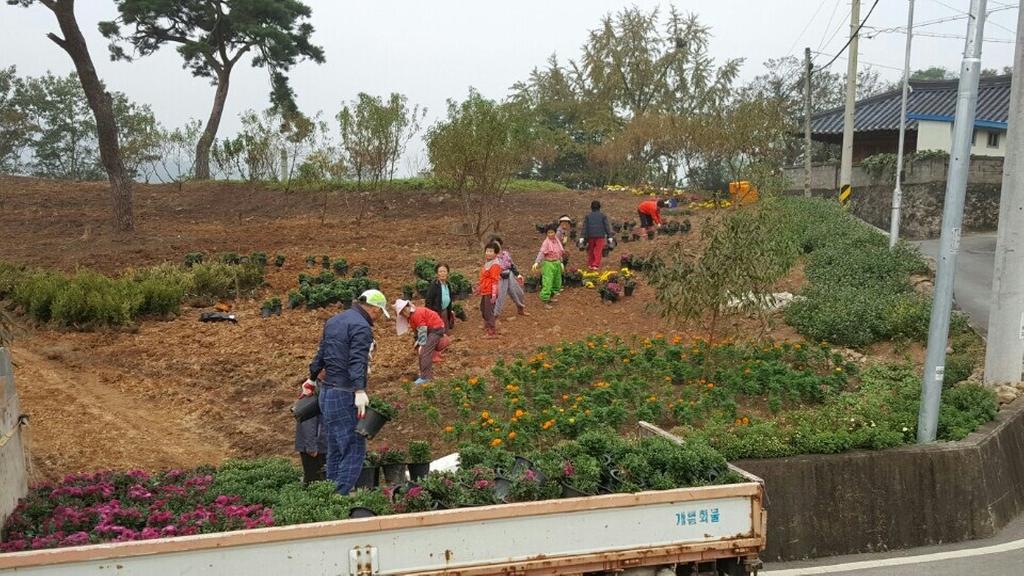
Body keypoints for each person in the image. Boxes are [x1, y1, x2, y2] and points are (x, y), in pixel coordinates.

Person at [303, 289, 390, 494]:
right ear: (372, 307)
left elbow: (321, 354)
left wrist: (311, 378)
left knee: (334, 447)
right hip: (344, 392)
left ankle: (329, 493)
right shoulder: (361, 327)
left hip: (327, 393)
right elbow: (357, 360)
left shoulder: (334, 321)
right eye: (379, 312)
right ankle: (340, 496)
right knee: (354, 447)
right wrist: (359, 389)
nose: (378, 317)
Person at [394, 299, 449, 385]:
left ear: (408, 307)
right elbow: (417, 331)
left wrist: (422, 344)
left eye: (404, 310)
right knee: (421, 351)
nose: (404, 314)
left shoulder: (416, 314)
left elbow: (422, 329)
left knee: (424, 352)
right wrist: (417, 342)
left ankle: (425, 377)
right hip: (430, 330)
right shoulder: (411, 318)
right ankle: (423, 374)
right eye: (401, 313)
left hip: (436, 329)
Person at [489, 236, 528, 318]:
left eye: (498, 243)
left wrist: (518, 274)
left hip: (509, 275)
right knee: (498, 296)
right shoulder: (491, 257)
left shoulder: (505, 254)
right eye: (494, 244)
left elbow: (512, 265)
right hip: (498, 278)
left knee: (518, 292)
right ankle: (493, 316)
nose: (496, 245)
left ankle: (520, 309)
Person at [532, 224, 565, 308]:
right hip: (548, 264)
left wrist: (561, 262)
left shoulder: (557, 241)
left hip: (556, 263)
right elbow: (542, 253)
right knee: (548, 282)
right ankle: (545, 301)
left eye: (552, 232)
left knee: (557, 282)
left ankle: (551, 297)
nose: (550, 234)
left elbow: (559, 252)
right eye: (549, 233)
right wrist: (537, 262)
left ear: (555, 232)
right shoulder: (546, 243)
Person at [479, 242, 502, 337]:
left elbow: (495, 280)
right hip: (485, 289)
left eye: (491, 251)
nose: (488, 253)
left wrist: (493, 294)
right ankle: (487, 324)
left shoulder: (495, 265)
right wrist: (479, 287)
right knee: (483, 308)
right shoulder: (488, 262)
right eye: (487, 251)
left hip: (490, 291)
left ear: (495, 254)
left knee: (489, 311)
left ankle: (491, 329)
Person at [583, 200, 614, 270]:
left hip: (590, 235)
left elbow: (584, 227)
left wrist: (582, 236)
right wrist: (609, 236)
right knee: (598, 250)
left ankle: (590, 264)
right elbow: (607, 226)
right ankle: (595, 264)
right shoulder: (603, 216)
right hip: (600, 235)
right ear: (599, 207)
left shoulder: (588, 216)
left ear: (591, 207)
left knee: (591, 250)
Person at [424, 263, 455, 329]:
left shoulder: (447, 284)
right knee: (438, 332)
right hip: (437, 313)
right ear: (437, 273)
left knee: (445, 331)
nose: (442, 273)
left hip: (445, 311)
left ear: (447, 273)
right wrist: (430, 315)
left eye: (444, 271)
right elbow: (428, 301)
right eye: (440, 271)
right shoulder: (434, 285)